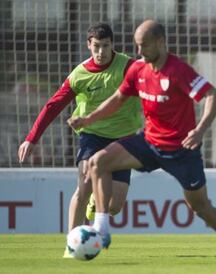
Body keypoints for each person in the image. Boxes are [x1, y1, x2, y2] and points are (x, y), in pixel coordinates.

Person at [68, 19, 216, 264]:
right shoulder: (138, 69)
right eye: (137, 46)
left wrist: (200, 130)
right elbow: (118, 98)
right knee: (97, 163)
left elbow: (214, 95)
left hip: (181, 150)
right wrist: (88, 119)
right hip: (148, 143)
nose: (139, 52)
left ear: (160, 43)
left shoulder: (178, 70)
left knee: (201, 208)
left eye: (144, 46)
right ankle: (102, 227)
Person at [17, 23, 142, 257]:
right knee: (83, 185)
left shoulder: (129, 67)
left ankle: (96, 205)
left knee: (115, 206)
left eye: (106, 46)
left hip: (123, 139)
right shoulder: (80, 73)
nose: (101, 52)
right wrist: (31, 139)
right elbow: (53, 105)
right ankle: (71, 245)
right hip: (91, 136)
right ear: (89, 45)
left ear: (112, 45)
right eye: (96, 46)